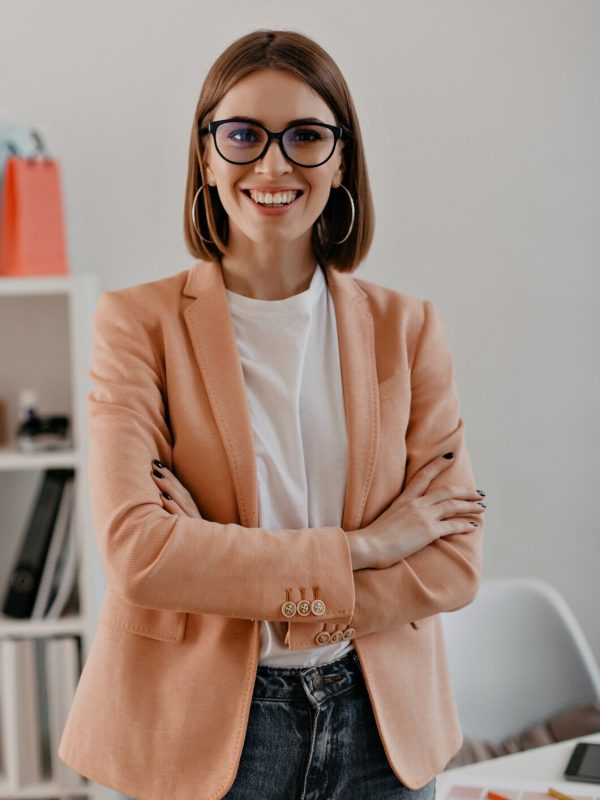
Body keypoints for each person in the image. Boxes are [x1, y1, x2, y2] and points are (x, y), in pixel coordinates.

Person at [58, 28, 486, 800]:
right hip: (200, 731)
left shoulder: (409, 328)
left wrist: (258, 589)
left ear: (342, 158)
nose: (274, 164)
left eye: (306, 136)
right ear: (207, 155)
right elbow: (141, 553)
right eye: (245, 135)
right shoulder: (136, 324)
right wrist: (369, 544)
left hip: (381, 730)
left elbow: (453, 564)